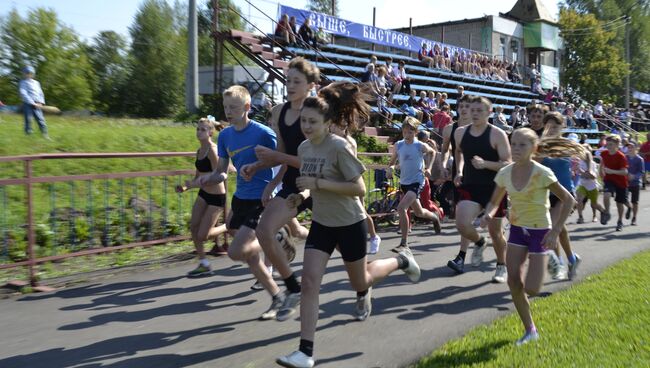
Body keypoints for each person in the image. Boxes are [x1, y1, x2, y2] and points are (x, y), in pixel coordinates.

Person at [276, 82, 422, 368]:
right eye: (303, 120)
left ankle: (401, 261)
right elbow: (311, 184)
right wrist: (301, 194)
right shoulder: (305, 148)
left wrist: (317, 183)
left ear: (328, 122)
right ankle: (305, 351)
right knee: (308, 283)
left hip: (350, 222)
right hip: (322, 223)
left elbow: (359, 189)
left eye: (312, 121)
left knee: (361, 281)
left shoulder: (339, 147)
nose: (306, 126)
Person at [192, 85, 283, 320]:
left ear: (247, 108)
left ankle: (270, 239)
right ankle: (277, 296)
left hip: (260, 198)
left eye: (233, 107)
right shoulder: (225, 136)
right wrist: (207, 178)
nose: (228, 111)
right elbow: (222, 171)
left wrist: (271, 183)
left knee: (236, 251)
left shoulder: (263, 133)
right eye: (225, 107)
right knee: (247, 252)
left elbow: (282, 161)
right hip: (240, 197)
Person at [241, 57, 320, 321]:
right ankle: (292, 288)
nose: (290, 85)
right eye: (287, 80)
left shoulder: (315, 113)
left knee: (343, 246)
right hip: (293, 185)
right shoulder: (279, 112)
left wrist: (276, 160)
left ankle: (362, 281)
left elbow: (312, 161)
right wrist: (261, 171)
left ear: (310, 85)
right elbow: (282, 154)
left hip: (321, 185)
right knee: (264, 229)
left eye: (297, 81)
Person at [481, 128, 576, 346]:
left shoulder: (542, 172)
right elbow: (495, 200)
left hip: (540, 232)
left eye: (522, 145)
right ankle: (530, 330)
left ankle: (550, 258)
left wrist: (555, 231)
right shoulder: (505, 172)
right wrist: (487, 214)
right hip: (516, 230)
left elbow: (569, 200)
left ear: (534, 148)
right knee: (513, 282)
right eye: (513, 143)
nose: (516, 148)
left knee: (532, 289)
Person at [453, 96, 511, 283]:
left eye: (480, 110)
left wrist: (485, 164)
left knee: (496, 233)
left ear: (489, 113)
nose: (475, 113)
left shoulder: (497, 134)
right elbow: (458, 152)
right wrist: (459, 170)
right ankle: (479, 242)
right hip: (471, 185)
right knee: (462, 223)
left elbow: (507, 164)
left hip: (495, 189)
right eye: (473, 110)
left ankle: (501, 265)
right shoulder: (461, 133)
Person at [176, 117, 228, 277]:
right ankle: (203, 263)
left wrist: (198, 183)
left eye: (203, 129)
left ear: (211, 132)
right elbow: (198, 175)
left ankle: (228, 226)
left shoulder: (213, 150)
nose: (199, 132)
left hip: (216, 197)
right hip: (204, 193)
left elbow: (219, 174)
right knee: (193, 227)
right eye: (198, 129)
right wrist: (185, 187)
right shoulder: (199, 151)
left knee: (203, 235)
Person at [539, 112, 583, 280]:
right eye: (549, 126)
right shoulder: (540, 145)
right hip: (546, 192)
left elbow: (582, 156)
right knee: (560, 228)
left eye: (556, 127)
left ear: (562, 128)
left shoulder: (567, 144)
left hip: (565, 194)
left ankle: (560, 264)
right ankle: (572, 259)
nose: (552, 130)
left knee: (551, 226)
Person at [387, 117, 440, 253]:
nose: (407, 135)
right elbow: (392, 161)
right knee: (419, 212)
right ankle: (435, 217)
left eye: (410, 132)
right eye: (405, 132)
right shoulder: (399, 145)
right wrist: (390, 168)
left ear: (416, 132)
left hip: (417, 181)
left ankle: (404, 244)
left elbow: (433, 152)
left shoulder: (419, 145)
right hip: (404, 181)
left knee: (401, 208)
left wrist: (428, 167)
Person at [442, 94, 474, 273]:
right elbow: (445, 150)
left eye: (467, 106)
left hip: (481, 175)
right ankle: (461, 257)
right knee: (463, 217)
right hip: (459, 175)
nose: (463, 109)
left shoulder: (481, 129)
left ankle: (501, 259)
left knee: (494, 226)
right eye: (460, 105)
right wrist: (444, 163)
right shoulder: (449, 129)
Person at [599, 135, 629, 231]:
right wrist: (601, 171)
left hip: (621, 181)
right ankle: (607, 213)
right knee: (606, 195)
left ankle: (620, 221)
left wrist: (611, 171)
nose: (608, 146)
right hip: (609, 179)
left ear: (617, 144)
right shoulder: (604, 153)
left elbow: (625, 172)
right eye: (607, 144)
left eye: (611, 144)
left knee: (619, 203)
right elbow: (602, 163)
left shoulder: (621, 156)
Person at [19, 66, 50, 139]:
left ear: (33, 74)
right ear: (24, 74)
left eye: (30, 73)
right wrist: (33, 103)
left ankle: (45, 135)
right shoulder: (23, 82)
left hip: (38, 104)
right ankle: (28, 136)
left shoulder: (37, 83)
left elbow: (41, 93)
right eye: (27, 73)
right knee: (28, 119)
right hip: (28, 104)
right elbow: (23, 93)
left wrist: (41, 103)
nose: (28, 74)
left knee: (41, 119)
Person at [625, 142, 644, 226]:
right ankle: (629, 208)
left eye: (631, 147)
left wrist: (634, 176)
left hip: (636, 183)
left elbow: (641, 172)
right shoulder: (625, 158)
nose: (630, 149)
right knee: (623, 199)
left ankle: (634, 218)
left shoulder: (639, 159)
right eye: (628, 147)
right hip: (625, 182)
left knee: (635, 202)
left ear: (636, 148)